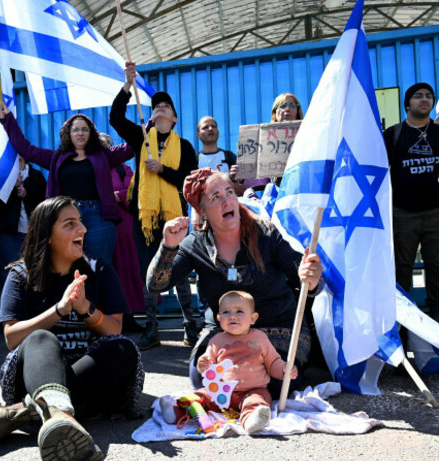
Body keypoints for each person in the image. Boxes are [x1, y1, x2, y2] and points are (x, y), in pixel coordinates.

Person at [0, 196, 143, 461]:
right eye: (70, 224)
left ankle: (29, 414)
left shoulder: (99, 269)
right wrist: (59, 309)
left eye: (80, 222)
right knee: (41, 338)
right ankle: (58, 414)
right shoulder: (21, 274)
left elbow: (114, 330)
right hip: (33, 376)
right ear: (48, 235)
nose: (82, 229)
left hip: (85, 375)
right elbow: (12, 338)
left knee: (123, 349)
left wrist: (84, 309)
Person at [147, 168, 322, 398]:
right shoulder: (194, 245)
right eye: (215, 197)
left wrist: (313, 277)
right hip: (223, 332)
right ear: (203, 211)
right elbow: (156, 285)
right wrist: (168, 246)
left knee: (277, 381)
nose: (227, 200)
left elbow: (310, 282)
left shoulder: (268, 233)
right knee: (200, 376)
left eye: (229, 192)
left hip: (276, 329)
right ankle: (244, 395)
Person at [109, 62, 199, 350]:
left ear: (174, 118)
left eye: (166, 105)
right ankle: (151, 327)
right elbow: (115, 117)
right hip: (144, 219)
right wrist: (127, 85)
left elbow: (188, 181)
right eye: (156, 105)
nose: (160, 107)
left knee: (181, 268)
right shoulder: (141, 139)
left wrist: (162, 170)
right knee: (148, 270)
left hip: (175, 218)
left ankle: (190, 326)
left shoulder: (184, 146)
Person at [0, 103, 133, 264]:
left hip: (98, 220)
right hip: (66, 218)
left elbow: (133, 146)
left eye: (85, 129)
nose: (80, 133)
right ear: (68, 133)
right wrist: (8, 120)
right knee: (69, 269)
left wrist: (152, 125)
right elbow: (26, 149)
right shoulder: (56, 158)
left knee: (100, 270)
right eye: (76, 129)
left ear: (91, 134)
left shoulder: (104, 156)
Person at [160, 291, 297, 434]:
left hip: (253, 390)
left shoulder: (260, 339)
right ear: (219, 318)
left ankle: (251, 420)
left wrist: (284, 369)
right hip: (221, 391)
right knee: (200, 397)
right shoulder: (217, 340)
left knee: (258, 402)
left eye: (239, 311)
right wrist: (204, 365)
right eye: (226, 312)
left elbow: (273, 362)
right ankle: (175, 412)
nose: (232, 316)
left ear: (253, 318)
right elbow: (209, 364)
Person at [384, 83, 439, 324]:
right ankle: (402, 322)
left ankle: (436, 318)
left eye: (429, 96)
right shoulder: (393, 135)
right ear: (408, 104)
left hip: (435, 213)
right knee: (401, 269)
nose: (424, 99)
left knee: (437, 267)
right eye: (418, 96)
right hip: (402, 213)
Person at [100, 132, 145, 332]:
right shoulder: (93, 170)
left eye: (107, 145)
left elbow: (133, 192)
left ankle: (128, 316)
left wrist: (114, 196)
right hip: (102, 225)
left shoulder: (123, 168)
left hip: (124, 227)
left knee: (127, 269)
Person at [0, 155, 46, 287]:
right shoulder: (4, 177)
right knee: (10, 272)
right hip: (10, 233)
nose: (17, 162)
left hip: (33, 233)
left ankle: (34, 306)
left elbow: (45, 202)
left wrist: (27, 194)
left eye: (20, 160)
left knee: (35, 271)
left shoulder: (36, 176)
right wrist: (13, 188)